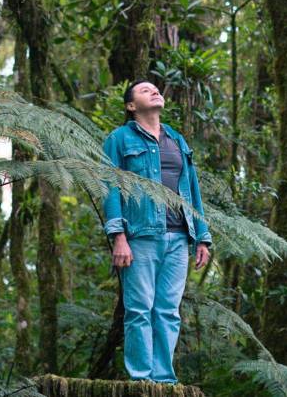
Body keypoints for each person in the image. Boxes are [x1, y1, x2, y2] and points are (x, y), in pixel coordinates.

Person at [102, 78, 213, 384]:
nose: (154, 91)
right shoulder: (119, 139)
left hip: (178, 238)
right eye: (144, 90)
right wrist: (118, 236)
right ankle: (141, 378)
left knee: (168, 311)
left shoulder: (177, 140)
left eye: (156, 88)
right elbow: (110, 188)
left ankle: (163, 379)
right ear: (130, 105)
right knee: (138, 310)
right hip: (140, 237)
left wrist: (202, 236)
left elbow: (192, 190)